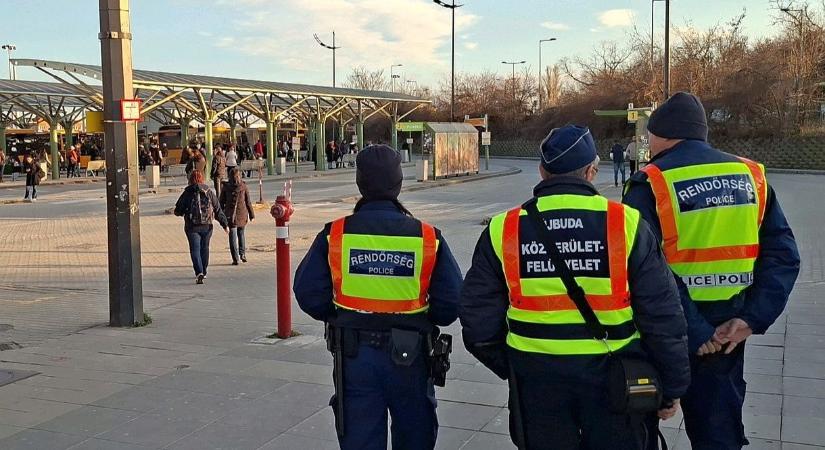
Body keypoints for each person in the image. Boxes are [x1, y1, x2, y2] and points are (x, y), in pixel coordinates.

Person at [460, 125, 690, 450]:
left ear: (542, 170)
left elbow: (477, 320)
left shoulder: (504, 227)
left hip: (537, 380)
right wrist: (672, 386)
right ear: (592, 170)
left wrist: (514, 366)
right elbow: (663, 314)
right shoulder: (626, 223)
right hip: (616, 377)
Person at [622, 92, 800, 450]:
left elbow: (642, 267)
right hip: (728, 333)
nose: (648, 143)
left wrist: (695, 329)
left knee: (642, 426)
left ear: (664, 135)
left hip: (668, 331)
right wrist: (751, 318)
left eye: (650, 136)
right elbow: (783, 255)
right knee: (719, 435)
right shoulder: (751, 175)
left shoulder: (652, 181)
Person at [293, 145, 463, 450]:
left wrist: (340, 315)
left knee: (359, 439)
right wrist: (421, 315)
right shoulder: (426, 236)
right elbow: (451, 304)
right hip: (411, 356)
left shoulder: (335, 234)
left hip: (354, 355)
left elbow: (307, 292)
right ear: (399, 183)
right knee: (415, 436)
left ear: (359, 183)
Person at [174, 169, 229, 284]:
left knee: (195, 250)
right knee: (205, 248)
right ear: (202, 179)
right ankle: (204, 271)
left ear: (190, 179)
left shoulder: (188, 192)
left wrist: (182, 212)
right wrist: (224, 224)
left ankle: (198, 272)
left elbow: (178, 210)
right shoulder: (208, 191)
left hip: (192, 226)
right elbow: (218, 209)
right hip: (207, 226)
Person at [219, 169, 254, 265]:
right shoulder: (243, 186)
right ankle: (242, 254)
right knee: (241, 234)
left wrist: (220, 215)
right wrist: (251, 214)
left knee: (232, 237)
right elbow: (248, 202)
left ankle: (235, 258)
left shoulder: (226, 187)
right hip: (242, 214)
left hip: (231, 215)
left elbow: (221, 202)